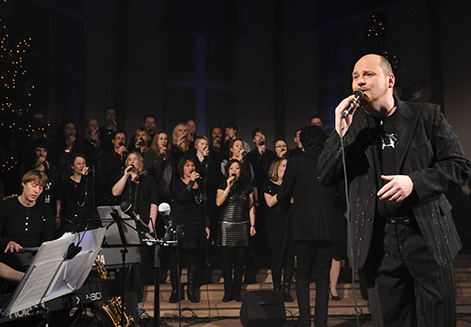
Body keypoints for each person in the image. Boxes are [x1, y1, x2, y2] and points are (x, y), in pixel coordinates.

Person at [318, 54, 471, 327]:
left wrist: (415, 183)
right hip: (378, 242)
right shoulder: (353, 129)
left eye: (368, 74)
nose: (360, 81)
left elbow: (459, 165)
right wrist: (339, 133)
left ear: (389, 80)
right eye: (355, 76)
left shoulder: (426, 116)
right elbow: (325, 175)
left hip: (426, 236)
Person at [278, 125, 340, 327]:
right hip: (328, 227)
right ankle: (321, 323)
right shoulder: (331, 161)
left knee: (302, 275)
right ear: (323, 141)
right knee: (322, 277)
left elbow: (283, 194)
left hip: (303, 227)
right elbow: (342, 196)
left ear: (302, 142)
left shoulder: (295, 162)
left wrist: (287, 208)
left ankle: (304, 321)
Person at [169, 156, 210, 303]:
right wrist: (191, 181)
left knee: (193, 259)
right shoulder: (176, 183)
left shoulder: (201, 184)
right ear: (182, 168)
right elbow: (181, 198)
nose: (191, 168)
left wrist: (206, 225)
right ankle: (175, 290)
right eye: (187, 165)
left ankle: (191, 290)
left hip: (195, 224)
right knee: (176, 259)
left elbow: (204, 206)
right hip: (180, 224)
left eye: (192, 165)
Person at [216, 159, 256, 302]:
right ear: (228, 171)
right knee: (226, 262)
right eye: (232, 168)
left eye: (237, 168)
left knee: (240, 263)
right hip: (227, 227)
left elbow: (251, 207)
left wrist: (252, 225)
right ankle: (227, 291)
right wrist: (227, 187)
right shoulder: (222, 184)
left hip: (242, 226)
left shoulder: (247, 186)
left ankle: (237, 291)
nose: (234, 171)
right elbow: (218, 202)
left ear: (241, 171)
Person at [0, 170, 55, 270]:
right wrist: (7, 242)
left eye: (40, 188)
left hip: (34, 260)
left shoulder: (45, 211)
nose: (36, 191)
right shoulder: (6, 206)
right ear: (23, 184)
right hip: (8, 257)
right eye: (34, 186)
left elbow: (48, 240)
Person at [264, 157, 295, 302]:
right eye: (283, 166)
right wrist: (283, 192)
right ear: (276, 168)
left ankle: (287, 289)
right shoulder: (269, 184)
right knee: (278, 257)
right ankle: (277, 288)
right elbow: (270, 202)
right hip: (275, 225)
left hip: (290, 223)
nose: (286, 168)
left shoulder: (291, 185)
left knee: (290, 257)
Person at [56, 154, 97, 233]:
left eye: (83, 163)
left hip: (87, 218)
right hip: (71, 218)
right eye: (78, 164)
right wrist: (58, 215)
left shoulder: (89, 181)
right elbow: (63, 198)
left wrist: (85, 178)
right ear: (72, 166)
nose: (82, 166)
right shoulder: (66, 182)